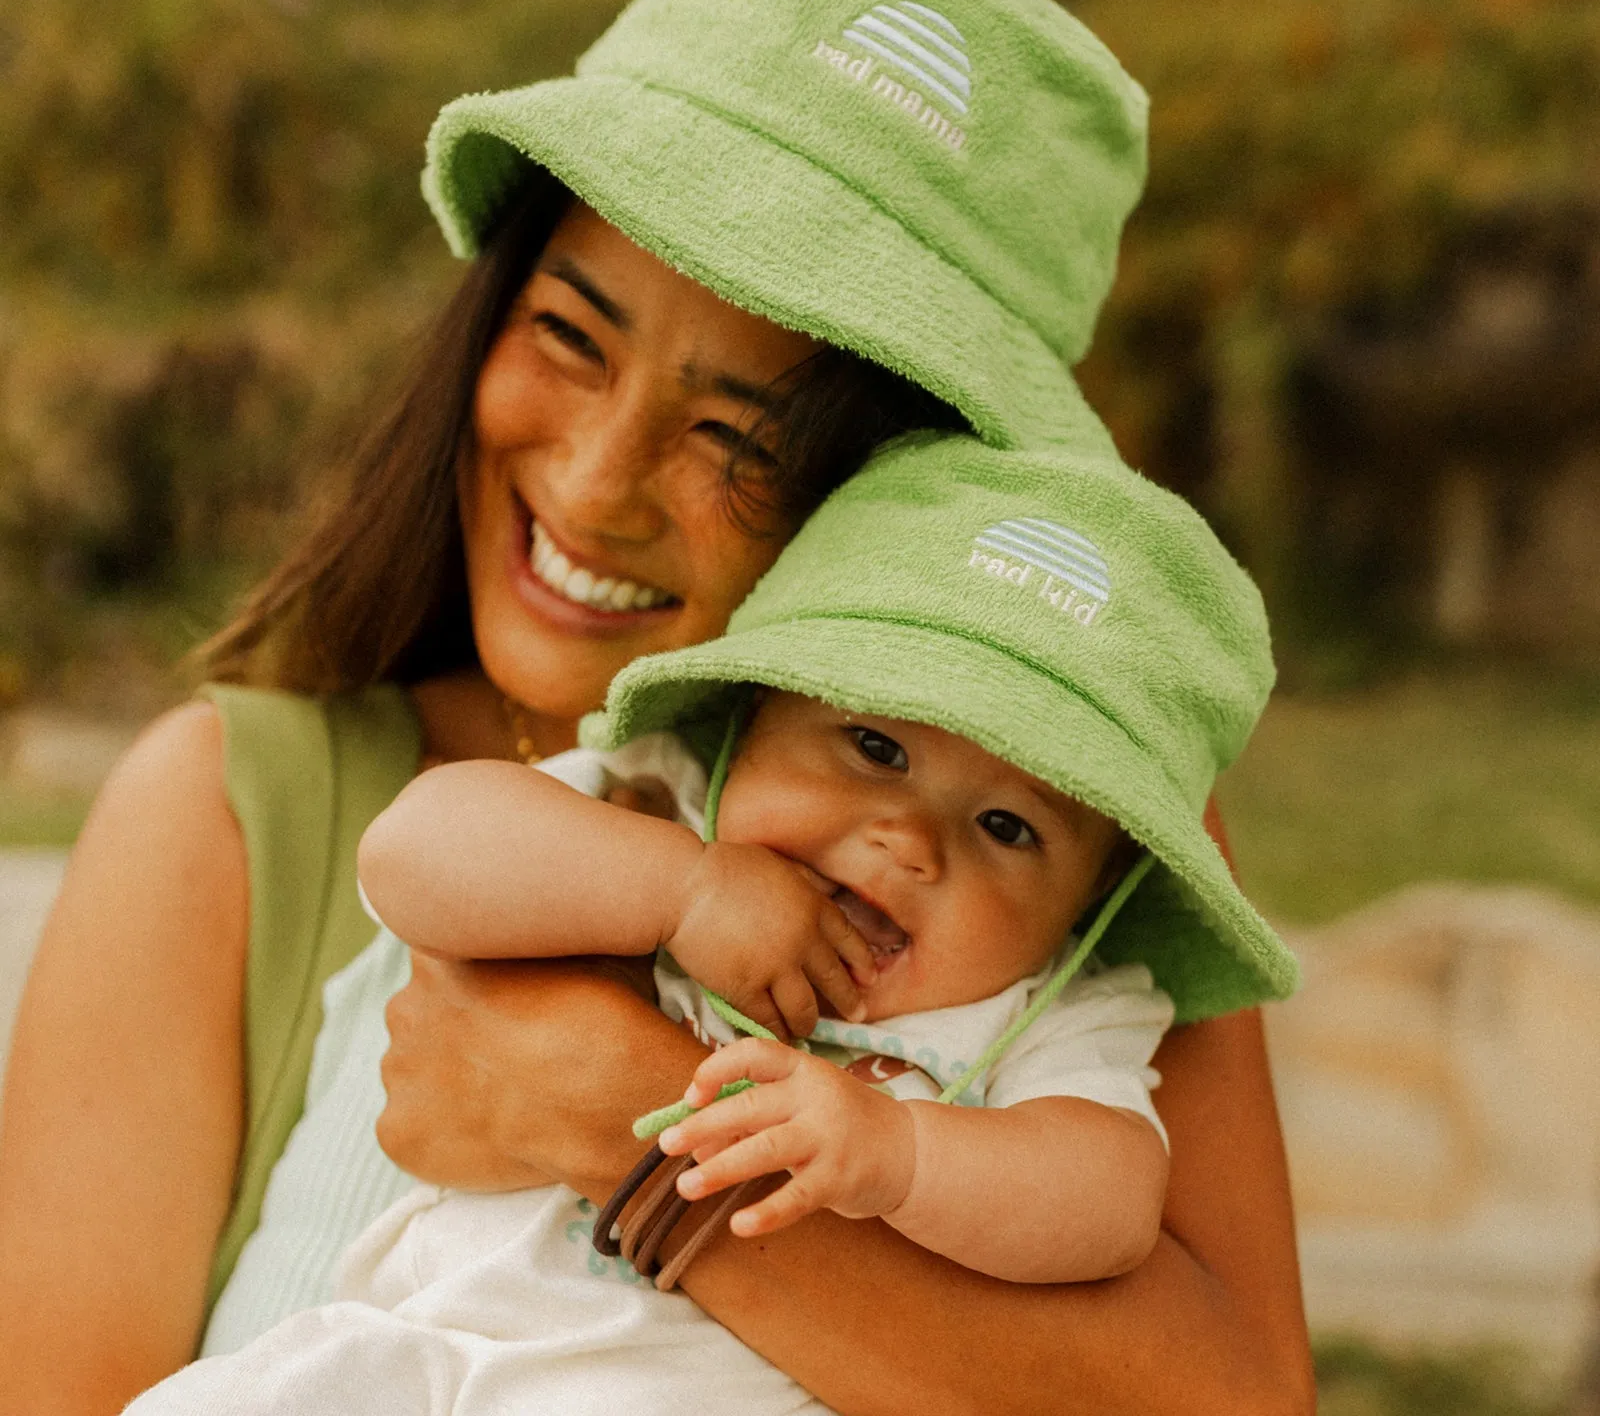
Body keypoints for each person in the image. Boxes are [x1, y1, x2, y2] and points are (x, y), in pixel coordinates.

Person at [0, 0, 1315, 1416]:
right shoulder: (243, 817)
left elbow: (1226, 1397)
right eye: (569, 332)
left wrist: (615, 1117)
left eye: (742, 437)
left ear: (927, 502)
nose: (595, 484)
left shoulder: (1059, 842)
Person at [122, 434, 1296, 1415]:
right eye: (873, 747)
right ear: (746, 724)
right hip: (435, 1359)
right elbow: (414, 852)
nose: (910, 840)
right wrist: (679, 888)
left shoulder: (1039, 1009)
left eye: (1006, 827)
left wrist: (903, 1157)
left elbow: (1109, 1197)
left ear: (1086, 912)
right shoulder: (657, 805)